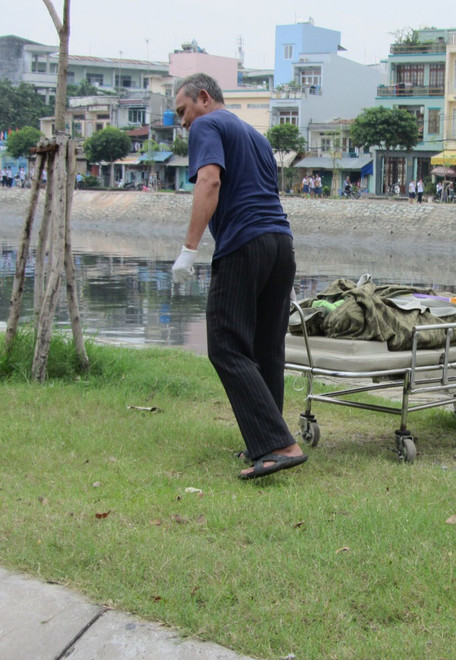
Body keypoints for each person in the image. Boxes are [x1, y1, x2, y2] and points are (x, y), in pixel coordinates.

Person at [171, 72, 307, 480]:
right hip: (280, 244)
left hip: (244, 244)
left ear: (203, 97)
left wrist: (188, 250)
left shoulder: (207, 124)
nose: (183, 123)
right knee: (267, 349)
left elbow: (209, 181)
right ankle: (268, 440)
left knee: (226, 346)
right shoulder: (256, 135)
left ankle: (278, 444)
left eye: (183, 111)